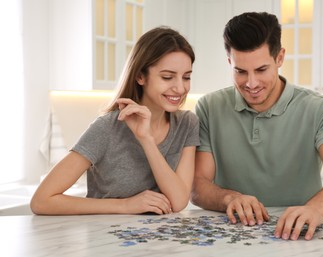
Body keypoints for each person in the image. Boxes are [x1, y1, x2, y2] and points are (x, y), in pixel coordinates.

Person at [190, 12, 323, 241]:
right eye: (240, 71)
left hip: (298, 236)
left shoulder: (320, 108)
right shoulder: (209, 107)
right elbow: (197, 185)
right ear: (229, 62)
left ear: (279, 58)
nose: (251, 83)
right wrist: (229, 198)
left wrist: (315, 209)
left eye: (261, 70)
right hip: (230, 236)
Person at [31, 26, 199, 215]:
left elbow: (179, 201)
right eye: (167, 77)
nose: (180, 87)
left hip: (157, 242)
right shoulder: (107, 128)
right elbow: (41, 201)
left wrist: (146, 139)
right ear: (140, 76)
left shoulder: (187, 123)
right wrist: (125, 205)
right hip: (105, 239)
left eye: (186, 77)